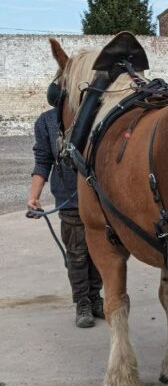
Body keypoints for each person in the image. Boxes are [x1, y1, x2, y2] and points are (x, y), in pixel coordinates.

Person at [27, 91, 104, 328]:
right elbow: (43, 160)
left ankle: (95, 298)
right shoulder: (46, 122)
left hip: (98, 198)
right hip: (68, 201)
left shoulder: (94, 119)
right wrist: (34, 196)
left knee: (100, 253)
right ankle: (82, 303)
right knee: (77, 255)